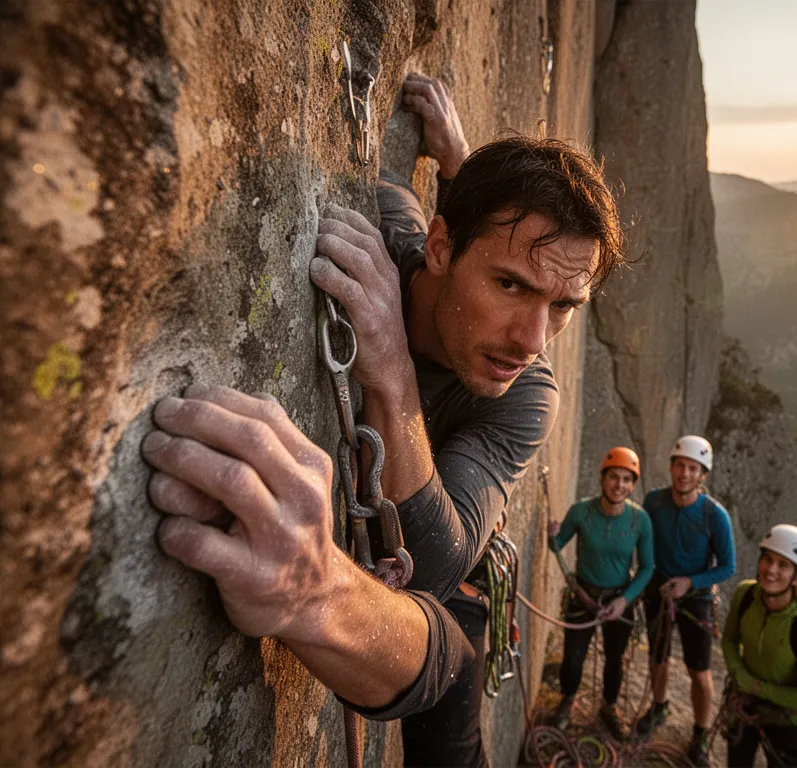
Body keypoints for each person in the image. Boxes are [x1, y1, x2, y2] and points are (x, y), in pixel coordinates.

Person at [141, 71, 626, 737]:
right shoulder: (390, 230)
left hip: (460, 583)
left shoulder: (530, 392)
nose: (532, 340)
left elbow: (433, 568)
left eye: (564, 305)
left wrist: (392, 373)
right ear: (440, 247)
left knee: (455, 705)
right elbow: (400, 198)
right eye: (511, 285)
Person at [636, 435, 736, 767]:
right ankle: (660, 706)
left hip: (696, 598)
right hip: (659, 590)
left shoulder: (714, 515)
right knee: (658, 657)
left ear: (702, 475)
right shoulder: (654, 502)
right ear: (671, 467)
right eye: (680, 465)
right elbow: (644, 542)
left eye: (693, 468)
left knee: (700, 669)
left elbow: (727, 566)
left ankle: (700, 734)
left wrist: (691, 582)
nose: (684, 473)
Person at [546, 447, 654, 740]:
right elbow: (557, 546)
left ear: (633, 485)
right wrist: (553, 535)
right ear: (602, 479)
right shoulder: (581, 511)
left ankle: (609, 705)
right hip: (584, 594)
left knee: (615, 658)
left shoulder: (639, 520)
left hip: (618, 598)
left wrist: (624, 600)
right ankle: (567, 700)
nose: (619, 485)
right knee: (573, 657)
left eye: (626, 480)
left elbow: (647, 567)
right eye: (614, 477)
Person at [721, 524, 797, 768]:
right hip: (745, 706)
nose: (771, 570)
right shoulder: (746, 595)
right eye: (768, 559)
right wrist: (739, 674)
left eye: (783, 565)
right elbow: (729, 639)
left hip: (788, 721)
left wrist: (755, 686)